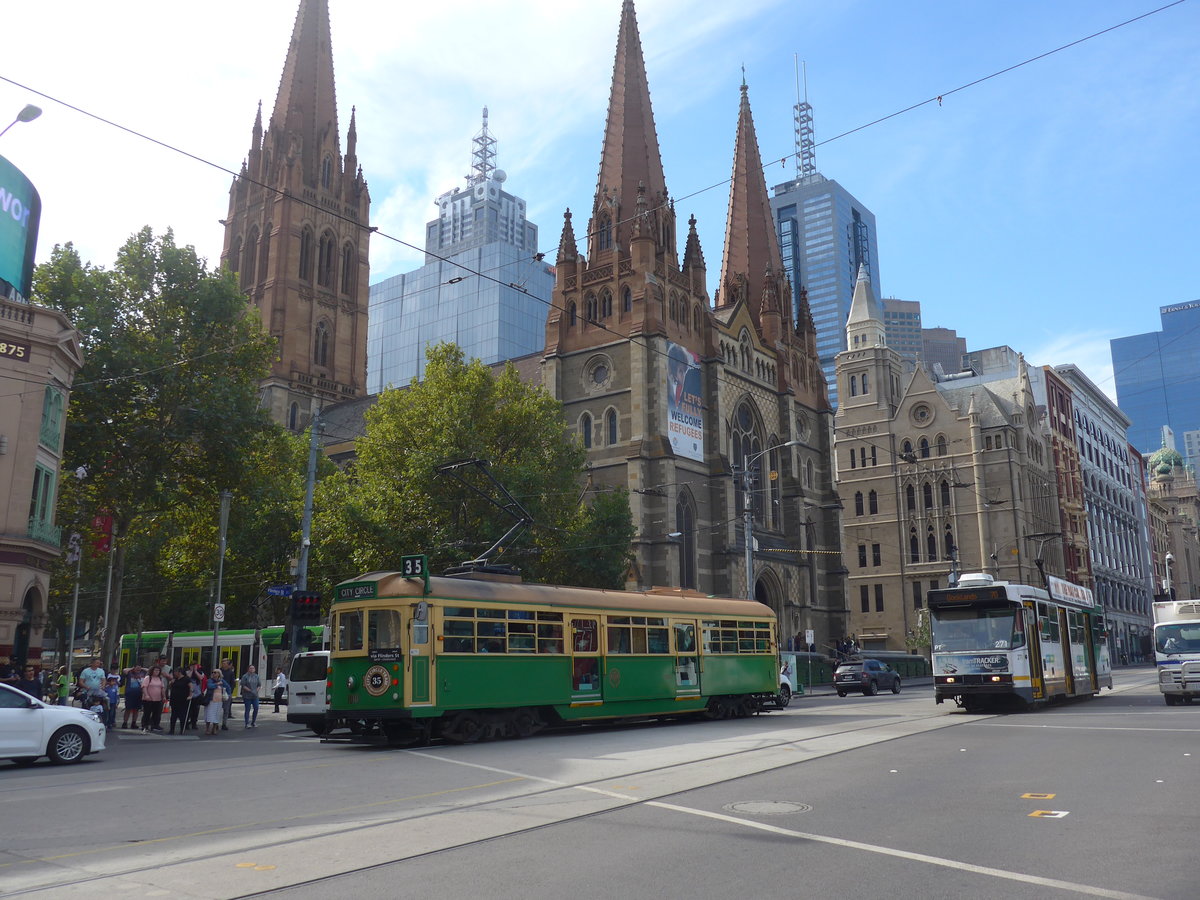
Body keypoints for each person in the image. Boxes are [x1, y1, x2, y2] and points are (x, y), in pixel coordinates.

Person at [139, 664, 168, 733]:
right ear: (152, 671)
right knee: (147, 713)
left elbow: (162, 688)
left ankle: (155, 725)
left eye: (158, 670)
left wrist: (164, 696)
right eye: (155, 670)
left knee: (157, 713)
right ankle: (145, 725)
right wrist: (146, 695)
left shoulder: (160, 678)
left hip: (158, 699)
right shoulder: (148, 678)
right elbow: (144, 687)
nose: (157, 672)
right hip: (148, 699)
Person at [168, 669, 191, 735]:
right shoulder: (175, 679)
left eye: (175, 672)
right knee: (173, 715)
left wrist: (190, 695)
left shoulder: (186, 679)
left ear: (179, 672)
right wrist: (171, 683)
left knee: (182, 715)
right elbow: (170, 687)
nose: (174, 674)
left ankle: (182, 729)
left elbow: (191, 687)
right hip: (174, 699)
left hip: (183, 699)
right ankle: (172, 730)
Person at [204, 671, 225, 735]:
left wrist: (229, 694)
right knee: (209, 714)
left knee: (217, 715)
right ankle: (207, 729)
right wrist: (217, 684)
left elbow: (227, 687)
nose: (213, 673)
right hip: (211, 700)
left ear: (219, 674)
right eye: (212, 672)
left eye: (215, 672)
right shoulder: (210, 680)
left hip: (219, 701)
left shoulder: (222, 681)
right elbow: (209, 686)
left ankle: (214, 728)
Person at [219, 659, 235, 731]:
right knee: (218, 709)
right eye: (223, 663)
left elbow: (232, 683)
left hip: (227, 692)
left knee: (226, 709)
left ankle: (224, 724)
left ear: (228, 664)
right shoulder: (218, 671)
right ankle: (216, 723)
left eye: (225, 663)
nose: (224, 664)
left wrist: (230, 692)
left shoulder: (231, 672)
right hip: (219, 692)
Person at [187, 666, 204, 730]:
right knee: (188, 711)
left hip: (197, 694)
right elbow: (187, 677)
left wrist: (195, 671)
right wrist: (191, 671)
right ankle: (186, 724)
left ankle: (194, 723)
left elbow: (201, 678)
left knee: (196, 710)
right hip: (189, 694)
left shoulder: (200, 672)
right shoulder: (187, 672)